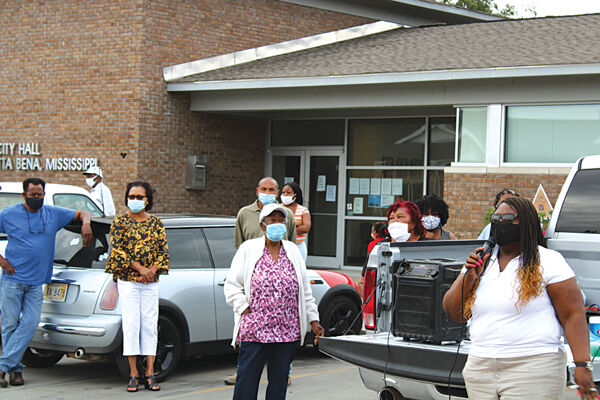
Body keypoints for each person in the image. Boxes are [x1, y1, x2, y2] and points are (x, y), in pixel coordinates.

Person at [443, 197, 596, 399]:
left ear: (526, 223)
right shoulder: (482, 261)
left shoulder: (548, 261)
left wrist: (582, 364)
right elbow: (453, 312)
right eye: (495, 218)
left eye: (507, 218)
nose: (499, 223)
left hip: (533, 366)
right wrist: (469, 277)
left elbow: (573, 315)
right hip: (480, 366)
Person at [224, 203, 325, 400]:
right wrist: (244, 307)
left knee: (279, 384)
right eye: (272, 220)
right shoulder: (248, 249)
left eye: (281, 220)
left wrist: (313, 320)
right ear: (263, 225)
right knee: (246, 382)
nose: (277, 224)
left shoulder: (292, 251)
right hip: (255, 328)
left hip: (286, 330)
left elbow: (305, 290)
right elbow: (232, 285)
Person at [0, 177, 92, 388]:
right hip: (12, 280)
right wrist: (1, 260)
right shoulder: (8, 214)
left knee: (30, 324)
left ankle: (3, 366)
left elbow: (83, 213)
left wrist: (86, 224)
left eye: (39, 194)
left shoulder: (52, 213)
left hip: (36, 282)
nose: (36, 198)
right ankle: (15, 371)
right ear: (24, 195)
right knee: (10, 325)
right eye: (32, 195)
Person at [105, 181, 170, 392]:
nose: (135, 200)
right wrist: (141, 269)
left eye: (139, 197)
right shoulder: (120, 222)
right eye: (131, 196)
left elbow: (163, 251)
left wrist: (151, 270)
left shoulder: (156, 223)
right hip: (129, 281)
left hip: (150, 281)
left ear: (147, 200)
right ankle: (133, 372)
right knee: (131, 324)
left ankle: (150, 371)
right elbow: (118, 251)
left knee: (150, 325)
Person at [358, 199, 426, 298]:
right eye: (391, 218)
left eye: (400, 217)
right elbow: (362, 283)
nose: (395, 221)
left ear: (413, 223)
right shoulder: (380, 247)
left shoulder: (427, 246)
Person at [234, 177, 296, 248]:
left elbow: (292, 245)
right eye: (263, 189)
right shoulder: (244, 213)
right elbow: (239, 245)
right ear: (257, 192)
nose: (267, 193)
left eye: (271, 190)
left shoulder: (287, 214)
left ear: (277, 193)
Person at [281, 182, 311, 261]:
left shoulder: (303, 210)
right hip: (281, 247)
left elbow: (306, 228)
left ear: (295, 195)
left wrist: (287, 227)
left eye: (288, 193)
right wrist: (298, 223)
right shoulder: (278, 209)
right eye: (283, 192)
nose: (285, 195)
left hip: (298, 246)